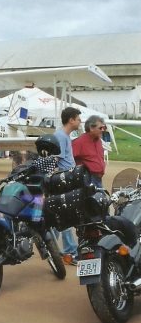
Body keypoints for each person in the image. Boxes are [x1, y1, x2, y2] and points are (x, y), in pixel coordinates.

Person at [54, 107, 82, 265]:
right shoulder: (60, 136)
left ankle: (50, 244)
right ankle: (70, 250)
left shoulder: (64, 136)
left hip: (67, 179)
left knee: (60, 215)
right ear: (71, 120)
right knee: (66, 215)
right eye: (78, 119)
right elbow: (56, 160)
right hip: (63, 181)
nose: (80, 122)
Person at [73, 115, 107, 188]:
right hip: (87, 179)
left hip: (98, 179)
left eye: (104, 128)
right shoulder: (79, 142)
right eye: (100, 128)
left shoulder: (98, 141)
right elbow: (70, 160)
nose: (103, 130)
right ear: (91, 128)